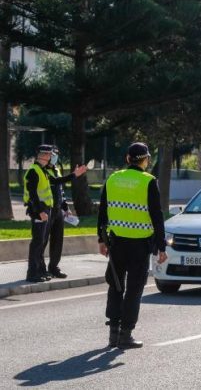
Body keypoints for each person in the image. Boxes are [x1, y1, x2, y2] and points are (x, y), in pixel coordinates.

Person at [97, 142, 167, 349]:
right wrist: (162, 246)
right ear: (146, 160)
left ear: (128, 159)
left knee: (116, 286)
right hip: (140, 245)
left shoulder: (113, 179)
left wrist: (101, 239)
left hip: (116, 243)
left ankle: (113, 334)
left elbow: (103, 212)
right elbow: (157, 216)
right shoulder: (148, 182)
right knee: (134, 289)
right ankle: (126, 335)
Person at [43, 147, 88, 279]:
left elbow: (60, 190)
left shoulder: (56, 169)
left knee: (57, 241)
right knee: (43, 241)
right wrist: (74, 175)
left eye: (56, 154)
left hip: (57, 210)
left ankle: (54, 267)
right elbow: (55, 181)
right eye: (52, 154)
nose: (54, 157)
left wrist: (65, 207)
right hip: (46, 209)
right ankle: (39, 268)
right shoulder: (42, 170)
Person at [23, 145, 56, 283]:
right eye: (49, 155)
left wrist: (74, 175)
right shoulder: (33, 171)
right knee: (37, 242)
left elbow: (55, 182)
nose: (51, 157)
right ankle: (32, 273)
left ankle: (38, 271)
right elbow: (33, 195)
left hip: (44, 210)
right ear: (42, 155)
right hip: (38, 211)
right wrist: (40, 212)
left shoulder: (43, 170)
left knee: (40, 242)